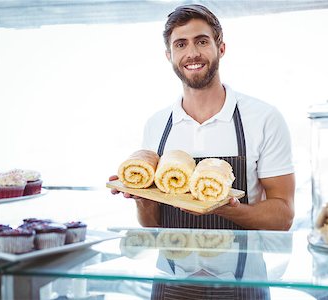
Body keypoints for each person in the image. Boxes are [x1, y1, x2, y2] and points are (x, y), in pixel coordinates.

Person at [110, 4, 295, 299]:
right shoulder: (157, 125)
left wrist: (227, 208)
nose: (192, 53)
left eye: (202, 41)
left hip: (243, 287)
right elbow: (152, 224)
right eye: (180, 44)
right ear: (169, 56)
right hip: (170, 286)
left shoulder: (263, 118)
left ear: (221, 48)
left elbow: (283, 216)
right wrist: (141, 198)